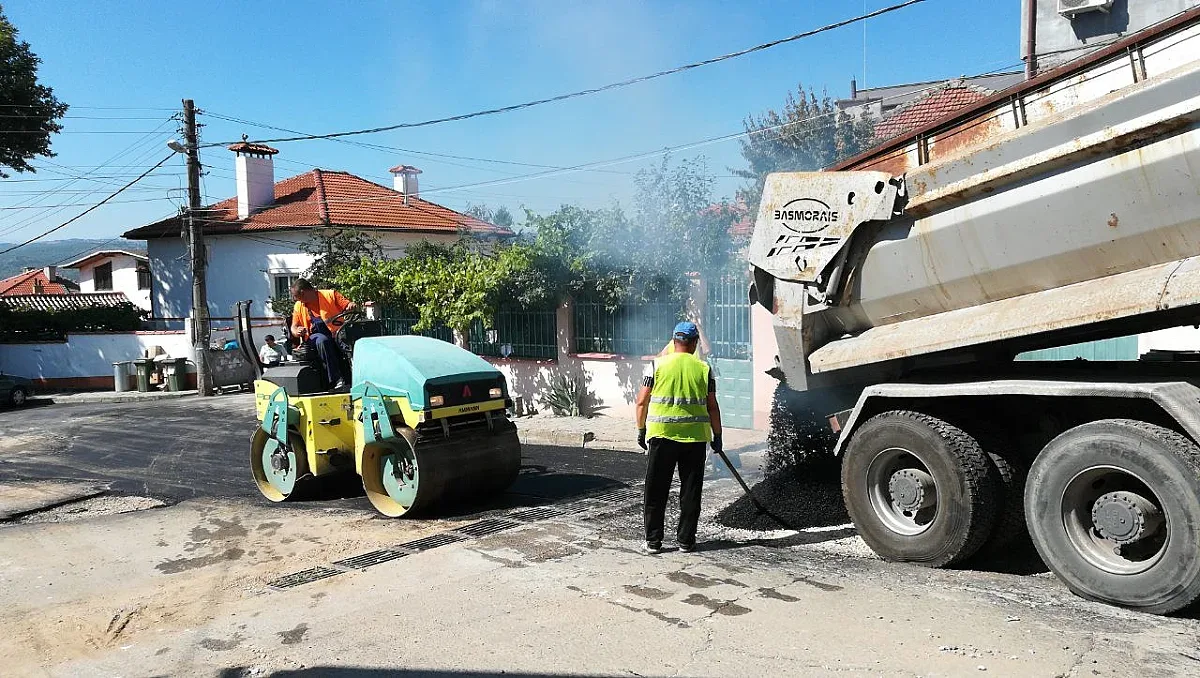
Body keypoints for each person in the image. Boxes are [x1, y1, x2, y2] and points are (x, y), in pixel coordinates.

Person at [634, 321, 723, 554]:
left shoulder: (656, 366)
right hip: (694, 440)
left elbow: (641, 401)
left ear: (674, 342)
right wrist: (718, 435)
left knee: (656, 490)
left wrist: (641, 429)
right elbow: (712, 407)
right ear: (694, 344)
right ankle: (686, 541)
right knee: (690, 491)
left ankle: (653, 542)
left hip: (661, 438)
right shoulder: (704, 369)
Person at [290, 278, 355, 390]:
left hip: (337, 334)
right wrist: (297, 331)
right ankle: (336, 379)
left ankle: (355, 376)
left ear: (303, 293)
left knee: (351, 344)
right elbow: (294, 327)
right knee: (323, 341)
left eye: (298, 297)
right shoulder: (298, 306)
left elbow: (348, 304)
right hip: (314, 337)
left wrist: (351, 305)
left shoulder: (330, 295)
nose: (299, 301)